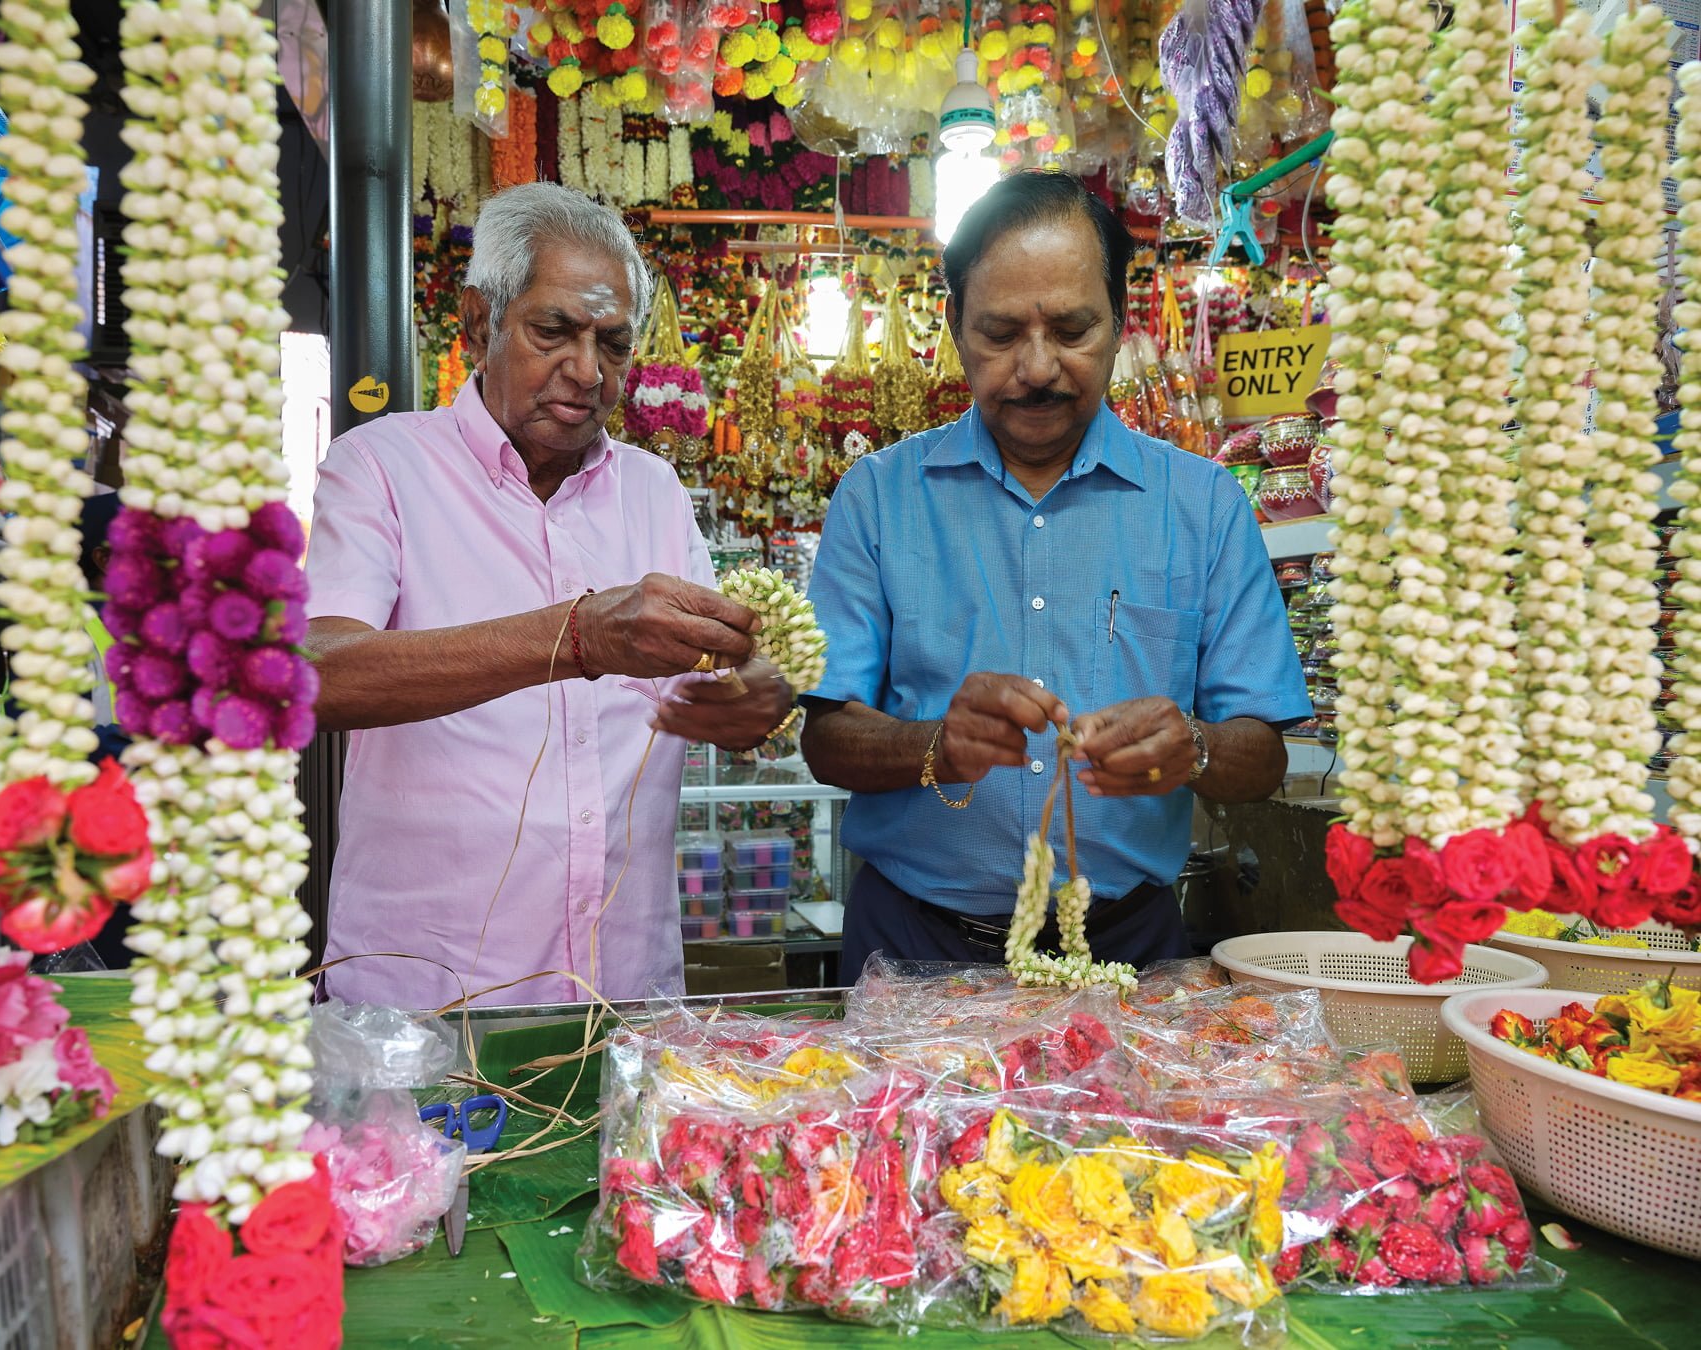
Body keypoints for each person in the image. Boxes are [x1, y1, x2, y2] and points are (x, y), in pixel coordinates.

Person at [800, 172, 1311, 976]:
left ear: (1118, 321)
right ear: (954, 325)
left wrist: (1198, 750)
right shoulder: (879, 497)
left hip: (1128, 953)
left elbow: (1266, 752)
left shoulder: (1203, 505)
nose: (1037, 367)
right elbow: (826, 739)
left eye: (1072, 329)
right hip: (914, 950)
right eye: (1001, 333)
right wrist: (935, 743)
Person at [304, 183, 793, 1009]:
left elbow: (718, 689)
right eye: (553, 332)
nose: (586, 370)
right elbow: (315, 674)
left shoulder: (654, 492)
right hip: (426, 1000)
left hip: (624, 993)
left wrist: (756, 697)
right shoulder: (381, 468)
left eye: (613, 343)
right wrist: (577, 639)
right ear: (477, 323)